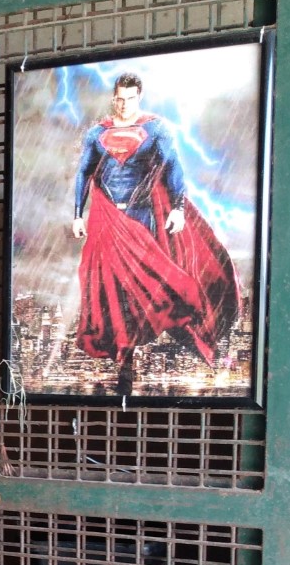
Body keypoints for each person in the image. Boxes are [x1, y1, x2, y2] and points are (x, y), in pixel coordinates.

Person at [71, 72, 240, 396]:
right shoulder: (96, 133)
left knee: (146, 286)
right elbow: (83, 172)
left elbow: (173, 165)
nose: (124, 104)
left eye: (130, 98)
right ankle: (126, 360)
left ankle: (174, 332)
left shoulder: (155, 129)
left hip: (141, 215)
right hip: (107, 220)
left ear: (139, 98)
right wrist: (78, 214)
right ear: (113, 98)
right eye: (119, 98)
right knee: (113, 292)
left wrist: (176, 207)